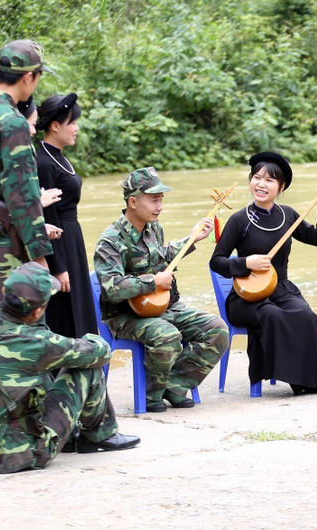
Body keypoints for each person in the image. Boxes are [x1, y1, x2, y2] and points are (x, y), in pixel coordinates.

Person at [0, 262, 139, 474]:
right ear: (39, 310)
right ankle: (100, 436)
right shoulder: (36, 342)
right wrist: (91, 337)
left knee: (30, 373)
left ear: (4, 291)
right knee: (85, 366)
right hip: (20, 454)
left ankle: (69, 436)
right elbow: (101, 353)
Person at [94, 167, 228, 412]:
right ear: (132, 202)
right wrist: (153, 283)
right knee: (167, 335)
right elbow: (111, 288)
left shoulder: (153, 227)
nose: (160, 206)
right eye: (154, 200)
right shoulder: (110, 240)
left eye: (161, 200)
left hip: (161, 306)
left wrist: (192, 239)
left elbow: (163, 258)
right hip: (126, 315)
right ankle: (151, 396)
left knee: (217, 329)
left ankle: (175, 386)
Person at [210, 152, 317, 395]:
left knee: (308, 318)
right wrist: (246, 262)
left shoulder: (288, 215)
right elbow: (217, 262)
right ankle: (305, 381)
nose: (261, 184)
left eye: (270, 180)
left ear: (281, 187)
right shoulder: (239, 219)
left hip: (281, 288)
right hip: (246, 297)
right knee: (271, 315)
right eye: (257, 177)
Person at [0, 39, 60, 313]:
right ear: (29, 77)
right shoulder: (14, 122)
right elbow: (21, 197)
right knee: (20, 329)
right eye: (39, 76)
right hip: (10, 242)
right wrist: (40, 256)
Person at [35, 93, 95, 339]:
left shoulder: (57, 157)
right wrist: (58, 268)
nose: (77, 128)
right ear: (55, 125)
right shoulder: (43, 163)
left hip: (73, 241)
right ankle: (63, 375)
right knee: (64, 317)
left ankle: (85, 371)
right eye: (72, 123)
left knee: (80, 313)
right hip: (59, 245)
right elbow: (48, 218)